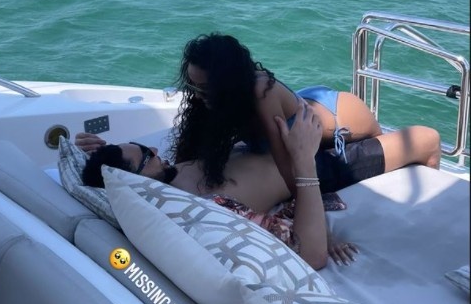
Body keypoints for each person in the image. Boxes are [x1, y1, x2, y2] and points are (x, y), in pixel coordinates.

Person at [168, 32, 441, 195]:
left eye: (205, 88)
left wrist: (323, 230)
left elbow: (288, 167)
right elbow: (187, 152)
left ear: (227, 82)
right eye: (192, 86)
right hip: (305, 104)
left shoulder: (261, 93)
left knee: (398, 153)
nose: (196, 95)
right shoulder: (220, 98)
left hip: (342, 119)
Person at [82, 98, 335, 270]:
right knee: (340, 112)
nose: (154, 149)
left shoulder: (162, 184)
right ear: (135, 182)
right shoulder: (205, 210)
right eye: (146, 155)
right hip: (314, 162)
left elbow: (118, 172)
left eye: (140, 145)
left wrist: (94, 154)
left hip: (275, 146)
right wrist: (304, 161)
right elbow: (311, 255)